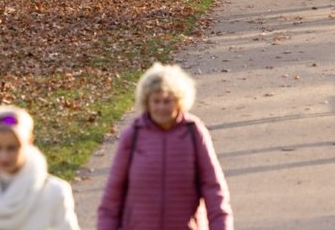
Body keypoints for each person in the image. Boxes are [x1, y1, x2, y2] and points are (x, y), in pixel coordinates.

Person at [97, 64, 233, 230]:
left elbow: (213, 189)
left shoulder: (194, 132)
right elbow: (113, 195)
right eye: (156, 101)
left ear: (179, 102)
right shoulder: (133, 135)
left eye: (168, 101)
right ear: (147, 102)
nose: (161, 108)